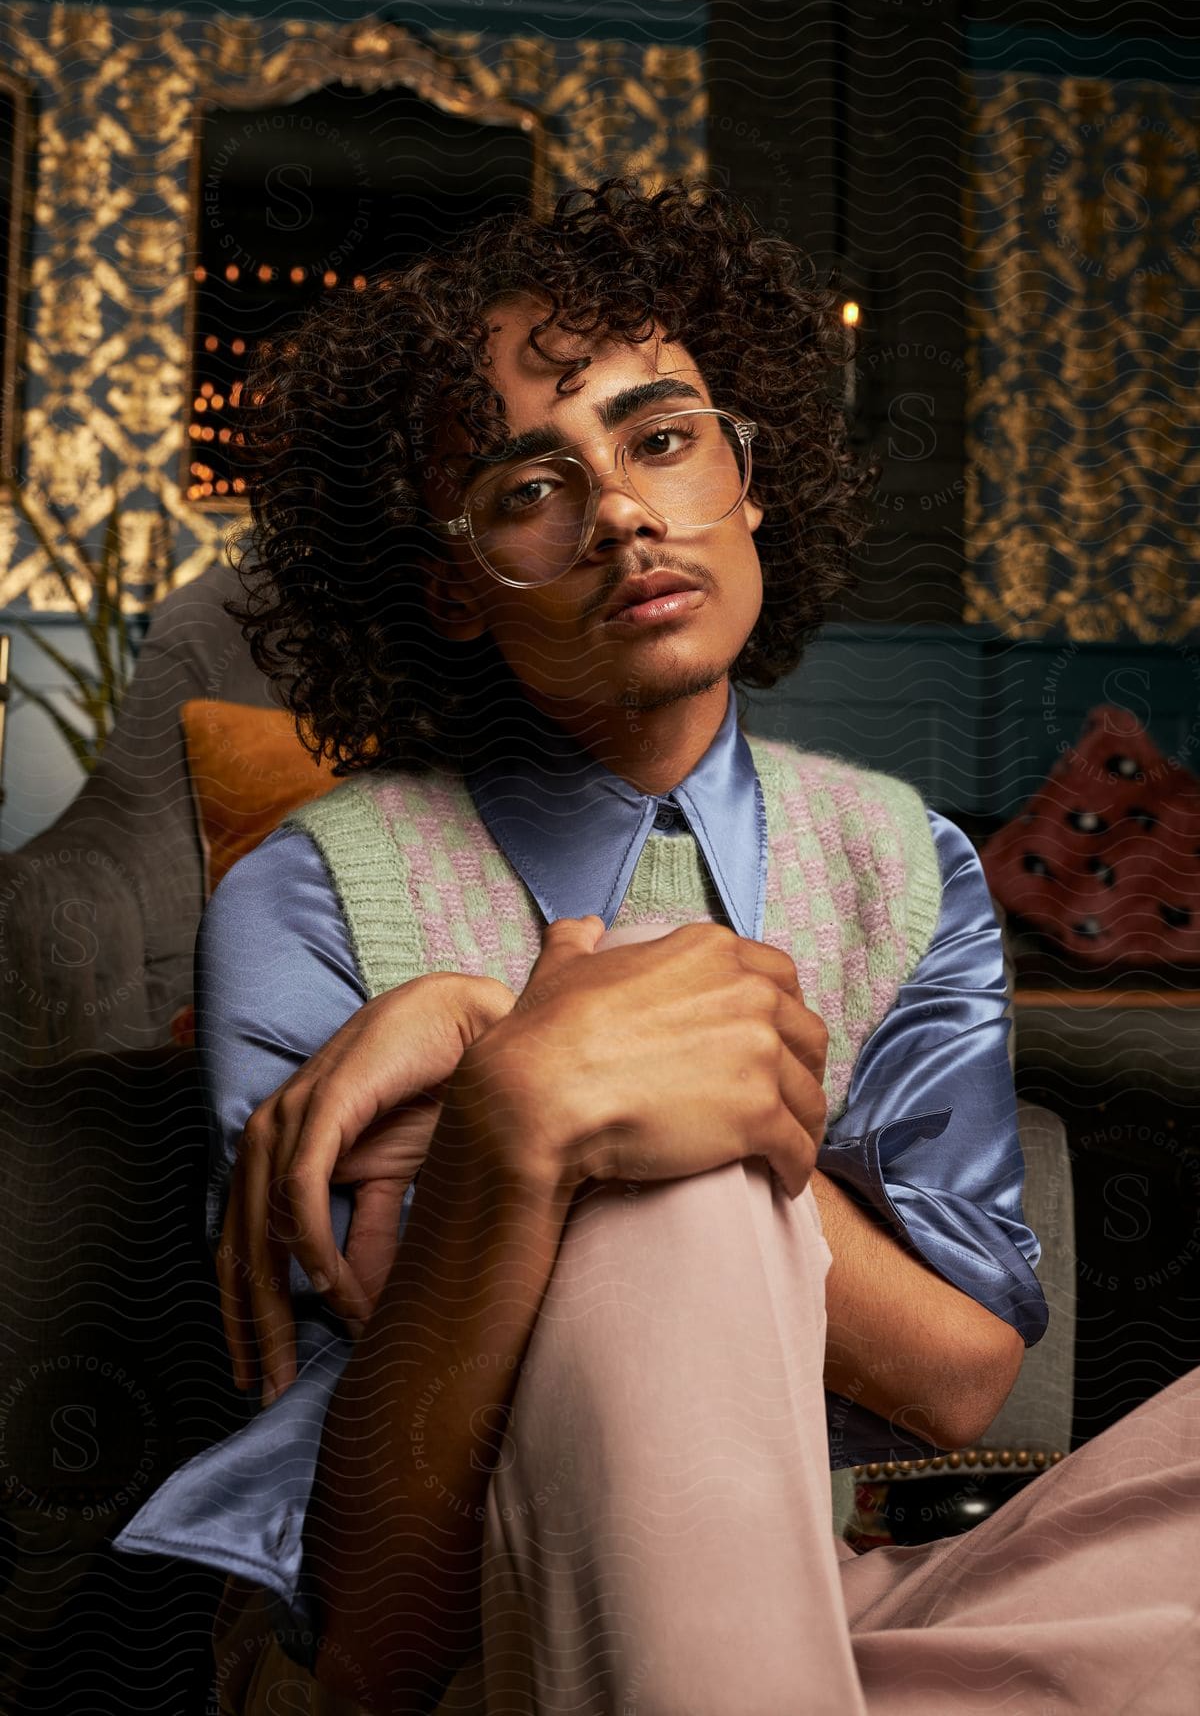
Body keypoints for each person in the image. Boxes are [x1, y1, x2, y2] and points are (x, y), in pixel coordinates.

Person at [116, 178, 1199, 1715]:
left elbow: (964, 1376)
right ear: (453, 586)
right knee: (670, 1203)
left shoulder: (902, 862)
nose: (620, 507)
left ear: (750, 481)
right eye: (525, 485)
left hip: (841, 1598)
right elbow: (371, 1624)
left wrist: (522, 1047)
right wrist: (524, 1133)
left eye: (662, 437)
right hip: (480, 1623)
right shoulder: (309, 895)